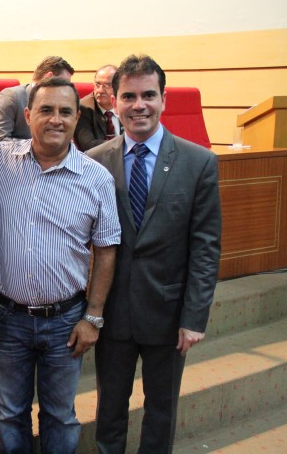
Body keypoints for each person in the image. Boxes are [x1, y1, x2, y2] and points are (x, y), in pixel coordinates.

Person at [86, 55, 221, 453]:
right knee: (109, 411)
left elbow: (206, 247)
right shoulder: (94, 163)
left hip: (169, 314)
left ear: (163, 99)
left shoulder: (199, 162)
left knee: (161, 412)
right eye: (129, 96)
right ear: (114, 102)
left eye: (148, 95)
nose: (139, 105)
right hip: (112, 313)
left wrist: (194, 317)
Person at [0, 76, 121, 453]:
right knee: (9, 414)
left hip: (66, 320)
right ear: (28, 115)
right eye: (46, 110)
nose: (56, 119)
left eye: (65, 111)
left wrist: (93, 317)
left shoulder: (97, 178)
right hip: (7, 318)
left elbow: (106, 250)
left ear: (77, 118)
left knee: (60, 416)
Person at [0, 56, 74, 146]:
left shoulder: (61, 104)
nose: (66, 89)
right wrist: (37, 147)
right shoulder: (11, 97)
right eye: (63, 83)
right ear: (49, 77)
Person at [75, 64, 122, 152]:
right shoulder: (83, 108)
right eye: (97, 84)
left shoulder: (125, 104)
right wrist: (123, 145)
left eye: (107, 85)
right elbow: (88, 145)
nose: (100, 90)